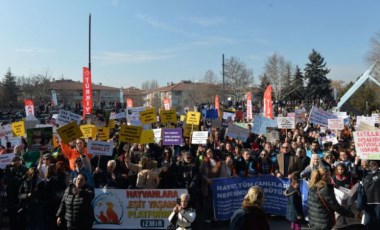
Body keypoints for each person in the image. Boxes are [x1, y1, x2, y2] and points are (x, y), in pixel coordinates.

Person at [361, 160, 380, 229]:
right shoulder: (365, 173)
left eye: (374, 164)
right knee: (368, 222)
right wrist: (356, 163)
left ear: (378, 165)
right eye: (370, 164)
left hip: (378, 202)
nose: (372, 165)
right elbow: (355, 174)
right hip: (367, 201)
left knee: (378, 221)